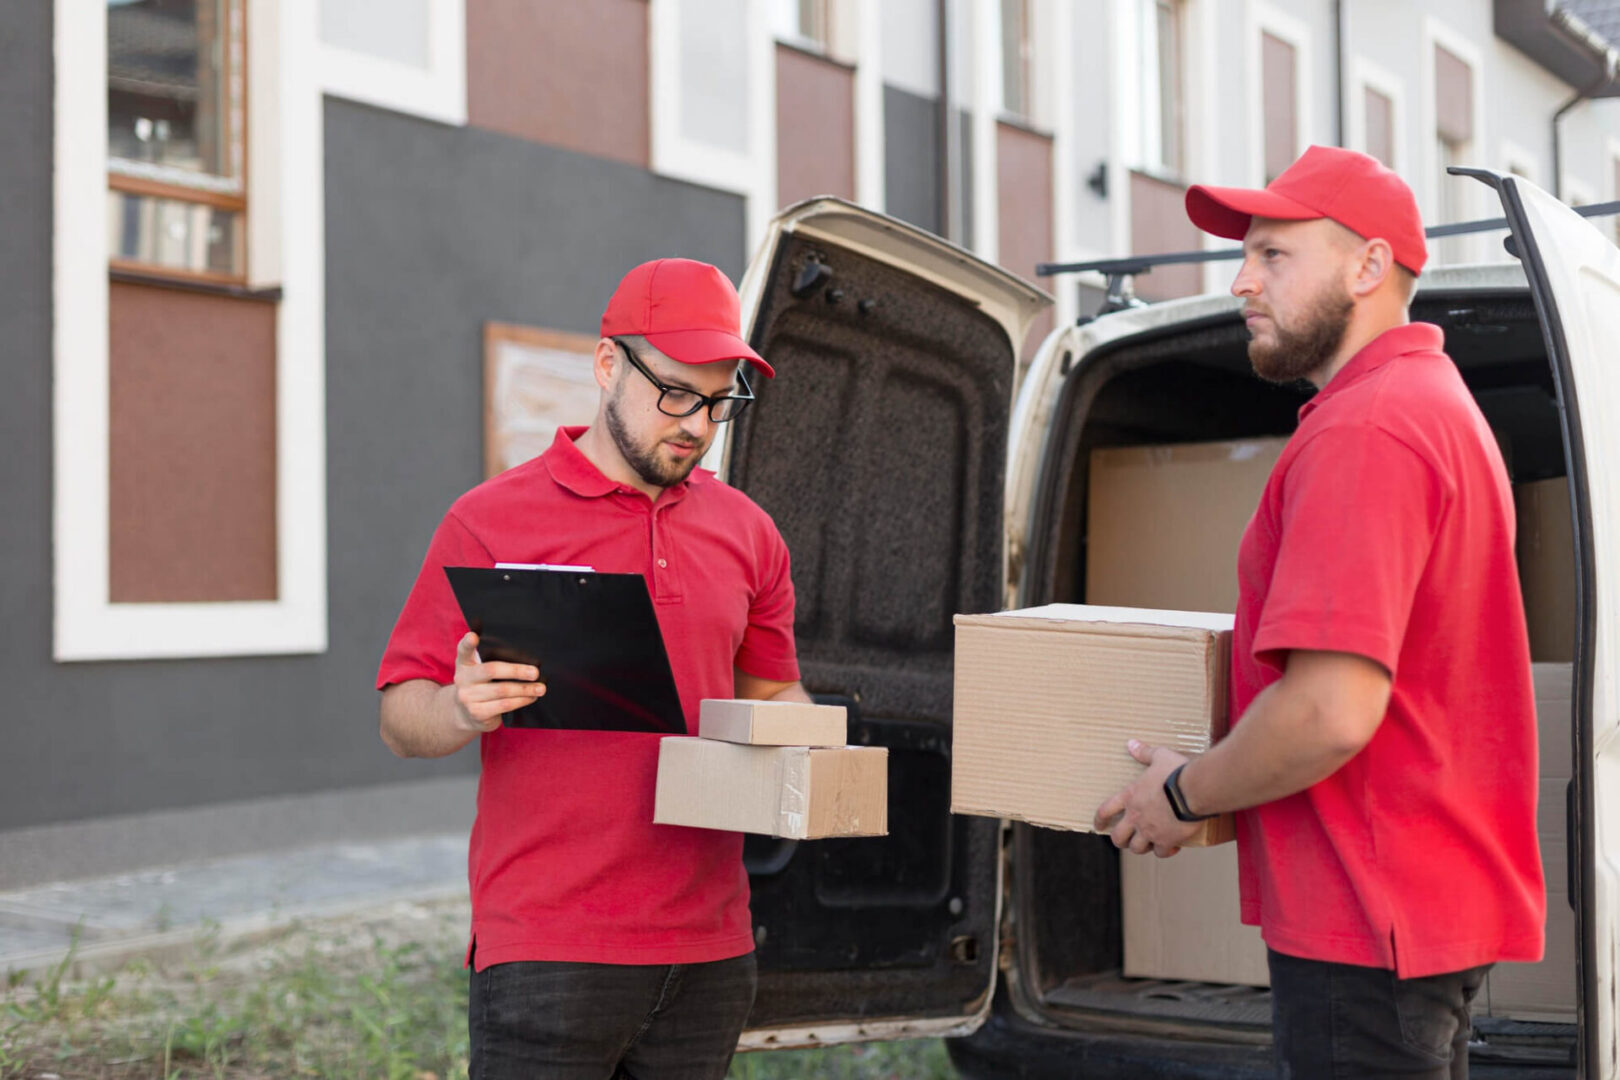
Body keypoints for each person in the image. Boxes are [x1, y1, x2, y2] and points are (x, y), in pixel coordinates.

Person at [1094, 145, 1545, 1079]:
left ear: (1369, 266)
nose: (1241, 282)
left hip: (1365, 919)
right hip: (1418, 915)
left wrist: (1182, 796)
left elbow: (1329, 710)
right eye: (1245, 256)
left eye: (1272, 256)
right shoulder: (1431, 405)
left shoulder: (1369, 428)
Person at [377, 257, 812, 1080]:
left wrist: (820, 751)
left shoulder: (752, 535)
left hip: (711, 951)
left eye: (720, 401)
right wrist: (463, 708)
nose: (696, 423)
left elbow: (774, 694)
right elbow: (401, 716)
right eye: (677, 392)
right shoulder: (488, 521)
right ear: (608, 363)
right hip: (547, 948)